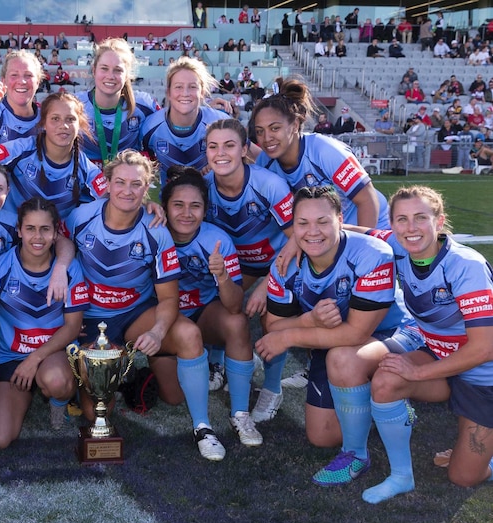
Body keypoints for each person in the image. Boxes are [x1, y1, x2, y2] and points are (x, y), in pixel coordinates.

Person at [257, 185, 422, 485]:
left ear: (340, 219)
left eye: (323, 221)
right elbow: (274, 327)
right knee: (322, 436)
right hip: (335, 339)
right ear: (292, 227)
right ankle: (381, 403)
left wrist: (291, 337)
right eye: (302, 223)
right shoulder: (284, 266)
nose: (312, 232)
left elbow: (358, 332)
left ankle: (356, 454)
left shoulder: (371, 254)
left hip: (396, 333)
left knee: (343, 358)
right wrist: (308, 319)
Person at [64, 150, 224, 459]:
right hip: (89, 319)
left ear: (146, 187)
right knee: (97, 409)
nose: (127, 190)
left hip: (135, 314)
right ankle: (96, 380)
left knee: (184, 357)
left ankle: (203, 427)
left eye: (136, 184)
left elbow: (168, 298)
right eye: (120, 182)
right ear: (107, 184)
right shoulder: (81, 217)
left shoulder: (156, 231)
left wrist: (159, 332)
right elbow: (58, 245)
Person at [356, 186, 493, 503]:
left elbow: (484, 349)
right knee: (387, 379)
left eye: (420, 218)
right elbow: (357, 230)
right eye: (401, 219)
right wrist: (302, 235)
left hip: (483, 374)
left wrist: (418, 373)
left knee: (463, 476)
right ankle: (401, 477)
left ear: (439, 221)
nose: (410, 228)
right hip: (441, 359)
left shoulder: (466, 266)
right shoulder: (397, 244)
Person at [151, 165, 265, 446]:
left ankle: (240, 413)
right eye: (178, 205)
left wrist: (222, 275)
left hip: (201, 315)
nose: (186, 213)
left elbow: (236, 305)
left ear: (205, 209)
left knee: (236, 323)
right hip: (165, 321)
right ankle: (200, 363)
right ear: (164, 207)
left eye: (195, 206)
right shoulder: (151, 233)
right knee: (173, 396)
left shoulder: (217, 240)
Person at [0, 197, 86, 446]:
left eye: (45, 229)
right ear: (19, 231)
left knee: (56, 381)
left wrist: (34, 359)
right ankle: (28, 391)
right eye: (30, 229)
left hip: (53, 353)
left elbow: (72, 327)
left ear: (55, 232)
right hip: (12, 357)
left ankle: (60, 402)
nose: (37, 237)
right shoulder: (1, 267)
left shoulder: (69, 269)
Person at [201, 118, 294, 411]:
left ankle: (271, 387)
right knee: (214, 297)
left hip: (280, 261)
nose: (221, 153)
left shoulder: (270, 184)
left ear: (243, 149)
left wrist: (268, 283)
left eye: (229, 145)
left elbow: (298, 239)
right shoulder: (203, 188)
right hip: (239, 264)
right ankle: (216, 363)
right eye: (213, 147)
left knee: (271, 318)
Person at [252, 77, 389, 229]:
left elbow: (367, 199)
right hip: (329, 237)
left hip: (376, 228)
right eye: (259, 131)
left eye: (275, 128)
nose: (267, 138)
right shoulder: (264, 163)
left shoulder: (325, 151)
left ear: (295, 125)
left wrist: (363, 244)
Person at [0, 92, 107, 221]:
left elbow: (110, 199)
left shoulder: (86, 168)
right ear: (43, 123)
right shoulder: (22, 148)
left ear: (80, 124)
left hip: (53, 243)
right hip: (12, 237)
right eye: (55, 119)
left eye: (70, 119)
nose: (63, 125)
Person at [140, 57, 231, 185]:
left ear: (202, 92)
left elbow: (251, 156)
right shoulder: (150, 127)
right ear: (168, 92)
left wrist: (222, 164)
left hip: (211, 201)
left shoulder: (221, 123)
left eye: (192, 87)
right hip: (165, 202)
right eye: (178, 87)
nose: (185, 93)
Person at [74, 38, 162, 167]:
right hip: (86, 183)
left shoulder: (144, 105)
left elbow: (169, 133)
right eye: (104, 68)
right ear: (94, 71)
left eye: (118, 70)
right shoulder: (75, 106)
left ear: (127, 74)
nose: (110, 76)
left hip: (128, 182)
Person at [0, 51, 43, 150]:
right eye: (14, 75)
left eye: (28, 75)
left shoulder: (47, 118)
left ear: (38, 82)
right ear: (4, 81)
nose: (22, 81)